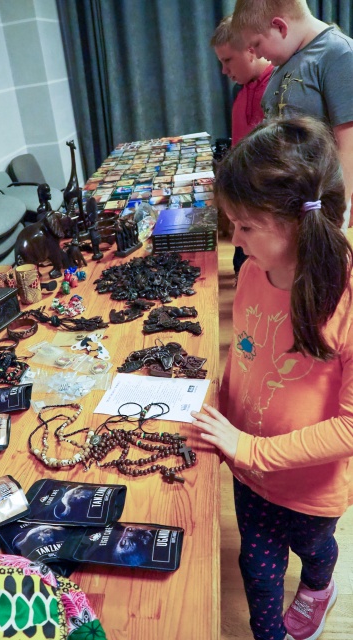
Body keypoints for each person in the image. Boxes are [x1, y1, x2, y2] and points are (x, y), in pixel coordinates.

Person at [191, 116, 353, 640]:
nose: (233, 240)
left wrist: (251, 448)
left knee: (315, 548)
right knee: (258, 574)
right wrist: (220, 414)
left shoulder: (345, 298)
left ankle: (319, 587)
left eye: (245, 226)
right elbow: (244, 352)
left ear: (298, 222)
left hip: (309, 486)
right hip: (249, 474)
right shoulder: (251, 272)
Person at [231, 0, 353, 229]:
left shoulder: (339, 53)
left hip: (320, 212)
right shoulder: (283, 62)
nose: (257, 54)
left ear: (280, 26)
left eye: (256, 44)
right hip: (285, 208)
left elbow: (350, 144)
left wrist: (336, 216)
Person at [211, 15, 273, 279]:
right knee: (241, 265)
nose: (224, 71)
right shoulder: (240, 90)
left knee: (259, 271)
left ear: (251, 50)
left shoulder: (279, 87)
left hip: (264, 204)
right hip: (242, 197)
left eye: (228, 60)